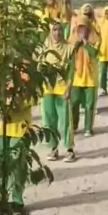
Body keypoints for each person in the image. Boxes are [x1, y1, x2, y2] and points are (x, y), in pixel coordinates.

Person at [41, 21, 75, 162]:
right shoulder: (44, 48)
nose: (57, 33)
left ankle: (69, 149)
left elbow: (71, 70)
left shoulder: (69, 48)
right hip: (47, 89)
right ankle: (53, 148)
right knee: (49, 120)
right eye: (54, 30)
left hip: (62, 88)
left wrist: (69, 87)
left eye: (60, 29)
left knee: (65, 120)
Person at [69, 16, 99, 137]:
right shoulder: (72, 39)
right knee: (74, 102)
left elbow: (95, 53)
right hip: (77, 76)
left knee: (89, 104)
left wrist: (86, 43)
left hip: (90, 77)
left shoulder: (95, 39)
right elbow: (69, 55)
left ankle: (88, 128)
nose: (82, 31)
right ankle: (74, 125)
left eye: (84, 28)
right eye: (80, 28)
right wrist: (77, 43)